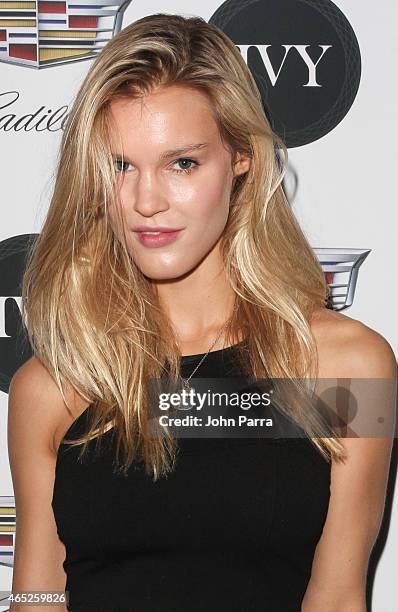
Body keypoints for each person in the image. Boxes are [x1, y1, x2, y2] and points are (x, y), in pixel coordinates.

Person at [7, 12, 396, 612]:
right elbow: (37, 595)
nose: (145, 201)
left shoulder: (345, 367)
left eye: (181, 163)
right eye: (120, 165)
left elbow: (338, 597)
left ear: (240, 157)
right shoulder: (55, 385)